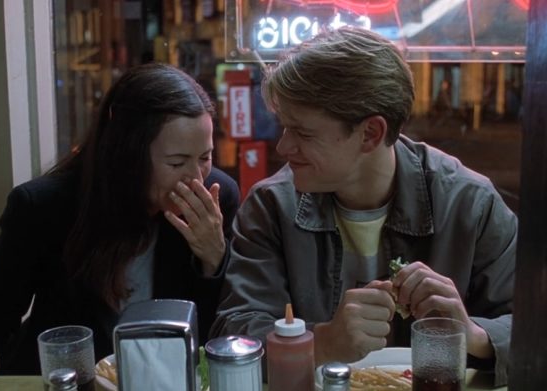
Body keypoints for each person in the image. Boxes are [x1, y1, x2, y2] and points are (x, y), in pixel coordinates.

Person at [211, 27, 515, 386]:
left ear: (370, 133)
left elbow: (545, 329)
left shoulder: (470, 204)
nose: (283, 146)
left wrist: (473, 333)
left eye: (303, 133)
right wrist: (323, 342)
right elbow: (237, 333)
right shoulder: (271, 206)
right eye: (284, 127)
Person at [0, 63, 240, 385]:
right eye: (176, 162)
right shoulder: (43, 206)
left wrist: (213, 259)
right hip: (69, 379)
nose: (195, 178)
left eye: (205, 157)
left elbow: (218, 333)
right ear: (127, 155)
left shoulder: (218, 198)